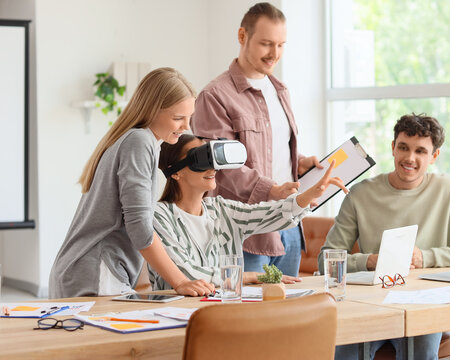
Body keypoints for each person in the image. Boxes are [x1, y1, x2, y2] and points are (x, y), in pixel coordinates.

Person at [318, 113, 450, 360]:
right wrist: (370, 261)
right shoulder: (360, 195)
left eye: (420, 151)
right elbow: (325, 260)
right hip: (372, 304)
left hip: (428, 304)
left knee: (422, 347)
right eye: (403, 147)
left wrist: (424, 257)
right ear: (393, 148)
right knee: (346, 350)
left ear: (433, 156)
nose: (410, 158)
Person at [49, 68, 215, 298]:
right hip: (96, 269)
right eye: (178, 118)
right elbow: (139, 226)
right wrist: (181, 282)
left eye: (189, 118)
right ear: (151, 110)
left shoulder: (135, 140)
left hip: (87, 268)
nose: (186, 126)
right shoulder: (139, 142)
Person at [191, 2, 322, 277]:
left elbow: (268, 151)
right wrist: (272, 190)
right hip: (246, 235)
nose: (275, 54)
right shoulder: (215, 96)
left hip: (289, 226)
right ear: (242, 37)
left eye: (281, 45)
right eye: (266, 44)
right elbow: (220, 169)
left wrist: (299, 163)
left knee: (287, 317)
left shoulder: (279, 90)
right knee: (244, 318)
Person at [150, 135, 347, 290]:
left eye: (212, 158)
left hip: (223, 310)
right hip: (176, 313)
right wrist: (251, 276)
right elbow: (184, 274)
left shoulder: (220, 209)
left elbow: (268, 214)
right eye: (200, 159)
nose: (211, 167)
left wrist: (306, 196)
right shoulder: (158, 216)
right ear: (174, 172)